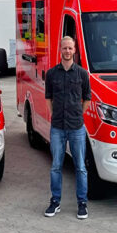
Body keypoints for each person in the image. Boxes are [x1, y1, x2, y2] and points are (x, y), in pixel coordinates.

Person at [43, 36, 91, 219]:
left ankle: (82, 203)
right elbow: (48, 97)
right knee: (56, 166)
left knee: (80, 167)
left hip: (76, 127)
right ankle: (55, 202)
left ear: (74, 50)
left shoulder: (82, 74)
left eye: (70, 48)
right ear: (60, 50)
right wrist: (54, 114)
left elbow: (87, 97)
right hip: (57, 127)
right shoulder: (52, 74)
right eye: (64, 48)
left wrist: (79, 114)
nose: (67, 51)